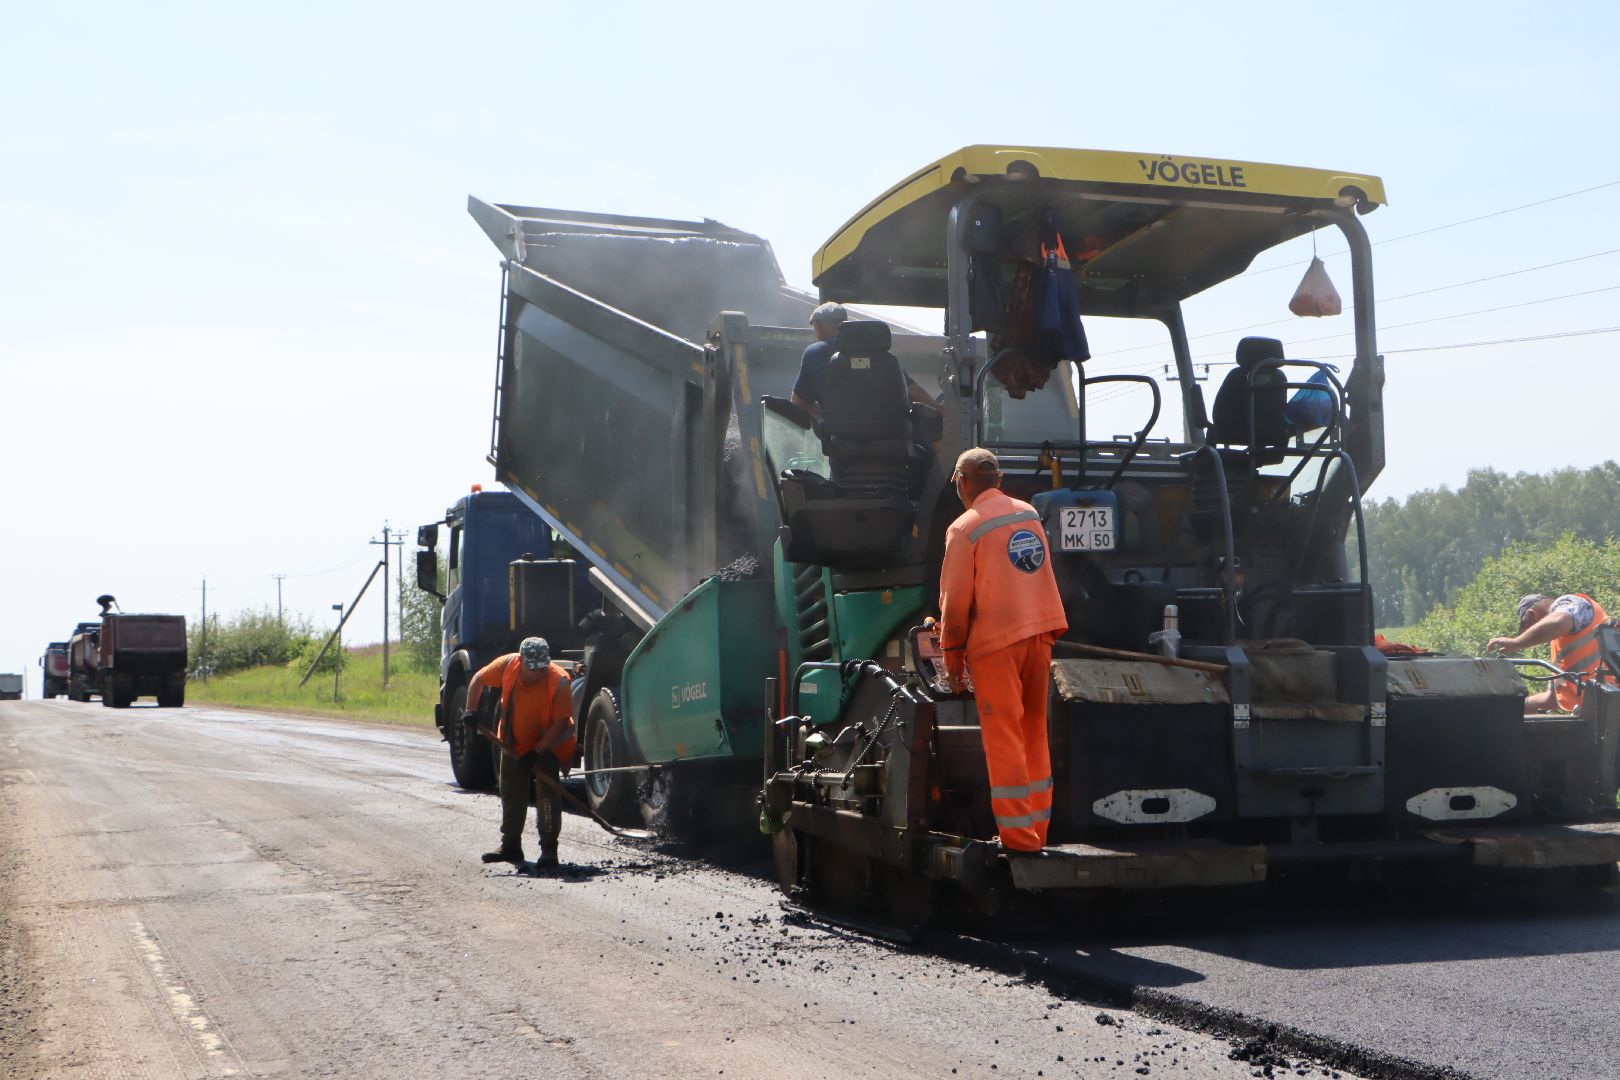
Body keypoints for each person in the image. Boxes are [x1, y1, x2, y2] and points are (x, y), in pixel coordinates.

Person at [937, 447, 1069, 852]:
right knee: (1034, 733)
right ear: (998, 480)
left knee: (1005, 737)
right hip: (1040, 634)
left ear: (962, 483)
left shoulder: (965, 528)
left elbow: (955, 608)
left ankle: (1017, 838)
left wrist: (953, 663)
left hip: (996, 644)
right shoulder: (1027, 514)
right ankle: (1038, 832)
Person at [465, 636, 577, 868]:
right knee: (511, 794)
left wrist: (536, 753)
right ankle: (511, 847)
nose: (538, 673)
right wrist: (471, 710)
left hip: (548, 745)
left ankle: (549, 851)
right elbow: (478, 679)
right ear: (522, 662)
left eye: (542, 668)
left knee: (547, 796)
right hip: (514, 743)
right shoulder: (508, 665)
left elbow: (559, 725)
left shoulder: (560, 681)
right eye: (533, 668)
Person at [790, 302, 936, 417]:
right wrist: (939, 408)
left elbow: (798, 402)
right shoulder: (876, 352)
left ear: (818, 325)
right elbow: (910, 390)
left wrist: (821, 413)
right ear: (844, 323)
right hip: (887, 441)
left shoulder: (814, 353)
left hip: (841, 443)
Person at [1487, 593, 1617, 713]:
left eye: (1528, 629)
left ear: (1533, 615)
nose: (1531, 638)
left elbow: (1557, 623)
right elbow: (1552, 698)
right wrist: (1506, 710)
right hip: (1597, 715)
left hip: (1612, 705)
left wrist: (1517, 642)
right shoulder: (1560, 646)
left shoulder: (1571, 602)